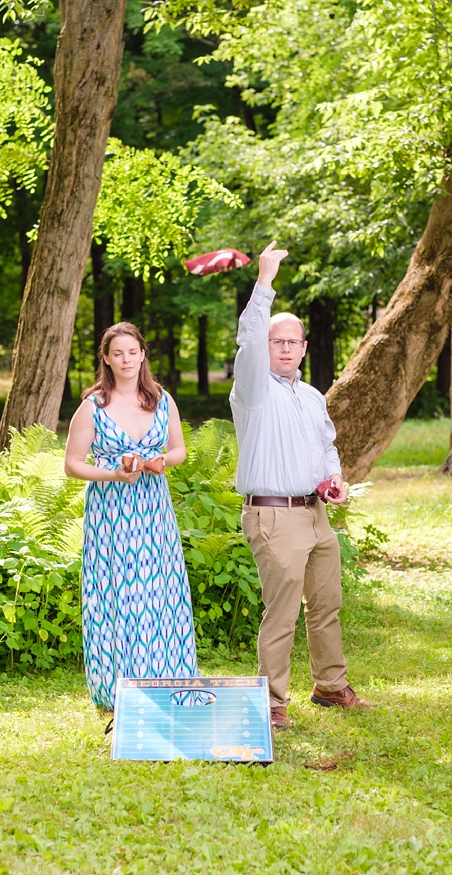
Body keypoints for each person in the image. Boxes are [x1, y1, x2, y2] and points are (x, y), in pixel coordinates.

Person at [231, 240, 371, 730]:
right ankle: (270, 702)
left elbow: (326, 446)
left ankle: (330, 686)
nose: (285, 348)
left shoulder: (312, 396)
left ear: (304, 348)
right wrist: (264, 280)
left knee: (327, 604)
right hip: (272, 515)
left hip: (315, 514)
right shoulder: (251, 389)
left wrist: (332, 479)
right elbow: (249, 336)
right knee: (282, 611)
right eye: (277, 341)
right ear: (266, 348)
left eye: (293, 341)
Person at [64, 322, 202, 711]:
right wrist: (114, 474)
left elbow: (179, 450)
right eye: (117, 353)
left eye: (132, 351)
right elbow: (72, 464)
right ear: (106, 359)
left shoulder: (162, 399)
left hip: (154, 510)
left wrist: (161, 462)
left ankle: (166, 675)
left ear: (143, 354)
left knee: (158, 590)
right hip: (111, 511)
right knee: (117, 591)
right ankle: (118, 685)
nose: (126, 359)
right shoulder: (92, 406)